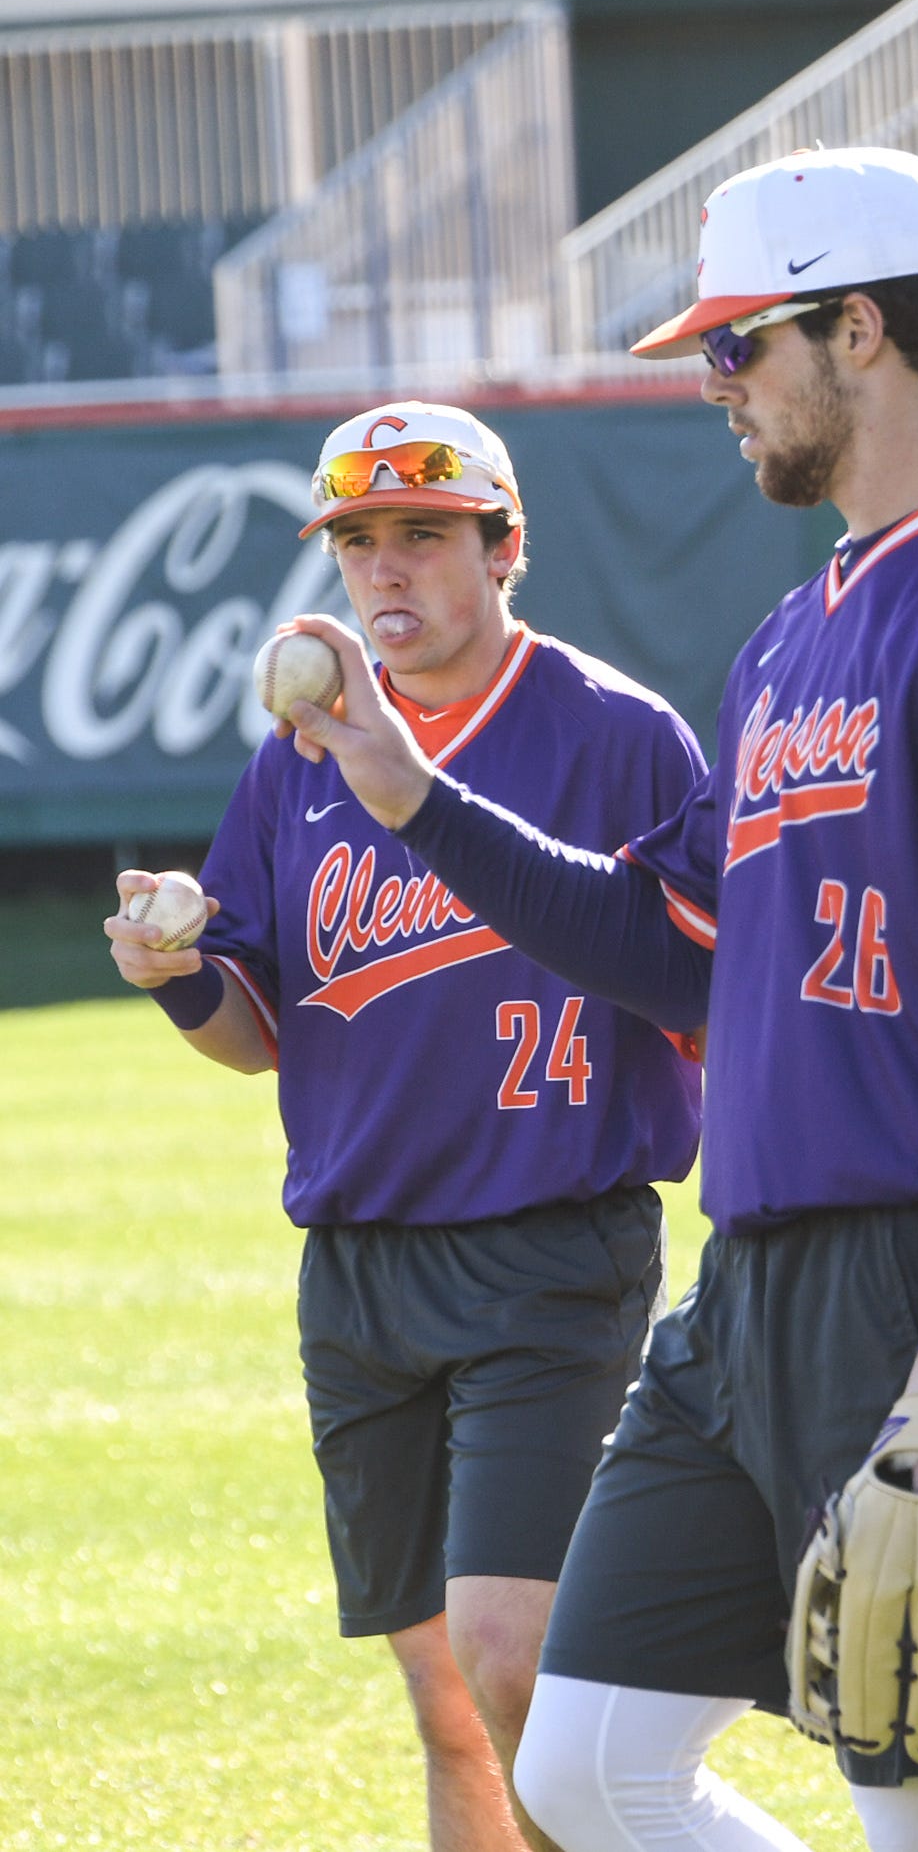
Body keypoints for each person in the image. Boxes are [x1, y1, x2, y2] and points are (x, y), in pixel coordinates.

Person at [273, 147, 918, 1852]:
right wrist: (414, 801)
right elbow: (673, 947)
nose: (714, 383)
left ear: (860, 330)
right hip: (752, 1284)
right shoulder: (794, 637)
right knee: (582, 1766)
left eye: (738, 344)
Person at [105, 401, 705, 1852]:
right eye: (359, 540)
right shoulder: (297, 760)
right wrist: (176, 976)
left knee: (517, 1662)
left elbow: (706, 982)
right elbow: (259, 1031)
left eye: (425, 534)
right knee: (448, 1700)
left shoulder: (616, 734)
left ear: (504, 548)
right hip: (361, 1274)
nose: (386, 570)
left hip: (551, 1249)